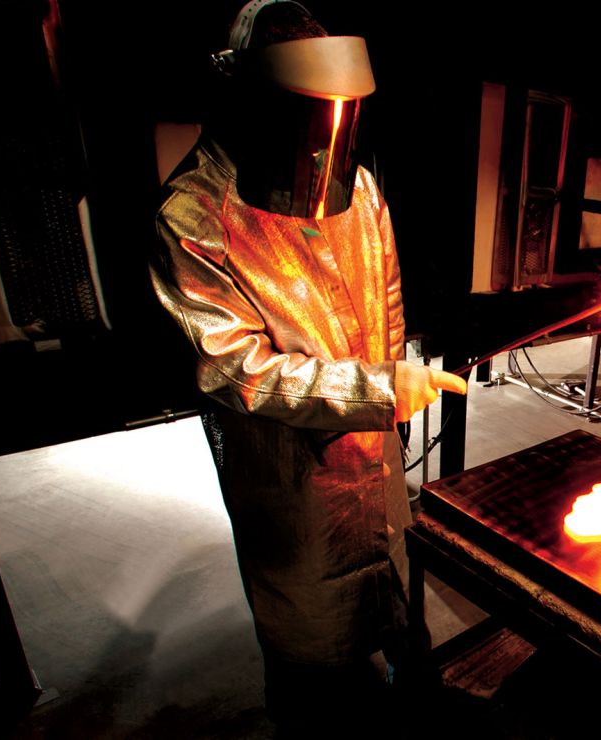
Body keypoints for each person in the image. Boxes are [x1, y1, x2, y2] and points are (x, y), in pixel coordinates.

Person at [150, 1, 466, 733]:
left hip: (374, 452)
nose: (324, 144)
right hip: (287, 475)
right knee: (313, 656)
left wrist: (394, 379)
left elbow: (385, 298)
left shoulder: (355, 191)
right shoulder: (196, 218)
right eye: (309, 116)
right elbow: (234, 368)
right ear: (259, 103)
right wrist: (377, 389)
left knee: (391, 604)